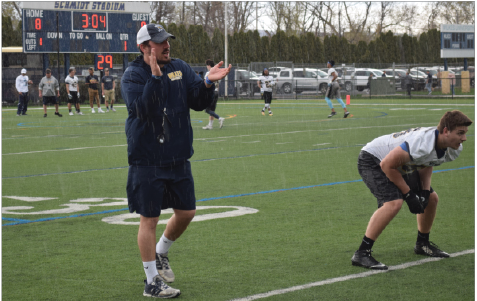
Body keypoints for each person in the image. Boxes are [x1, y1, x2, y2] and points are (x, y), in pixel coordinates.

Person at [121, 23, 231, 299]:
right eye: (159, 42)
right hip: (147, 158)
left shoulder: (179, 66)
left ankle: (161, 252)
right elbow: (142, 110)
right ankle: (151, 281)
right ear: (144, 48)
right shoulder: (133, 75)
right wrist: (155, 78)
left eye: (167, 40)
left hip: (177, 155)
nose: (167, 45)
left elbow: (196, 100)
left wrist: (207, 82)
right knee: (150, 218)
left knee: (187, 212)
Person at [351, 110, 472, 270]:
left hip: (400, 164)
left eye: (465, 133)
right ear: (445, 131)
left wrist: (424, 191)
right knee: (394, 202)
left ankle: (422, 243)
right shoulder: (423, 141)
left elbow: (428, 161)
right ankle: (362, 253)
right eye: (460, 133)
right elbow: (387, 165)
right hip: (374, 160)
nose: (464, 138)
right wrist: (408, 195)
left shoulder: (452, 148)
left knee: (431, 199)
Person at [202, 59, 225, 129]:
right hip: (216, 92)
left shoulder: (208, 73)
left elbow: (205, 84)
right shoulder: (217, 73)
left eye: (207, 65)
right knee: (212, 110)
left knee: (207, 110)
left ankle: (219, 118)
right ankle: (210, 125)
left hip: (210, 92)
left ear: (209, 65)